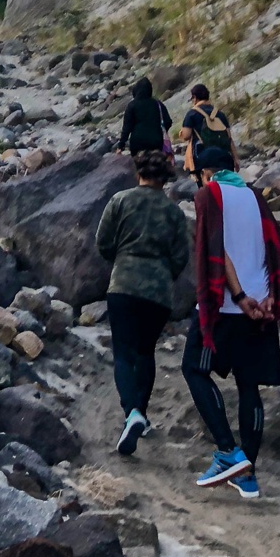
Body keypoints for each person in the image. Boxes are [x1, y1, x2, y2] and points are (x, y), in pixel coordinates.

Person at [180, 144, 280, 501]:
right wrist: (269, 297)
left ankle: (229, 452)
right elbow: (274, 249)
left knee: (194, 370)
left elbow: (217, 250)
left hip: (228, 305)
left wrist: (240, 296)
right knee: (249, 386)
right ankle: (248, 476)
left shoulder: (208, 195)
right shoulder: (255, 197)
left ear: (206, 173)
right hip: (262, 306)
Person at [95, 146, 189, 456]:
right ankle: (142, 417)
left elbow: (103, 242)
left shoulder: (120, 201)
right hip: (158, 291)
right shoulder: (174, 213)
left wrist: (120, 259)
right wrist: (165, 273)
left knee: (122, 352)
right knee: (146, 352)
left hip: (123, 283)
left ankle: (131, 413)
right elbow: (181, 257)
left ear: (138, 174)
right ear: (165, 179)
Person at [179, 83, 237, 179]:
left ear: (194, 98)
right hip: (224, 156)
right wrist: (235, 158)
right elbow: (229, 138)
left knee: (206, 188)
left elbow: (186, 135)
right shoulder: (219, 113)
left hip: (203, 156)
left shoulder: (192, 113)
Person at [116, 77, 173, 155]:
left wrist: (121, 146)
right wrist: (160, 131)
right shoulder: (158, 104)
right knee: (156, 163)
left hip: (138, 143)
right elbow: (168, 121)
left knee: (139, 164)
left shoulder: (132, 105)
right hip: (156, 142)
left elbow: (127, 128)